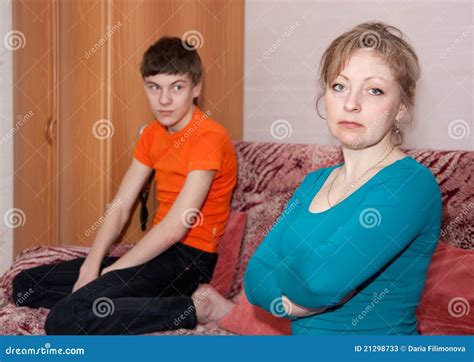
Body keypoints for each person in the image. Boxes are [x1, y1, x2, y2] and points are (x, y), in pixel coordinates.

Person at [194, 21, 442, 335]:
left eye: (374, 90)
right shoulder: (313, 182)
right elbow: (256, 278)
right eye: (339, 86)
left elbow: (318, 280)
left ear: (402, 107)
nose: (351, 103)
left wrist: (303, 278)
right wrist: (295, 294)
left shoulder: (411, 185)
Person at [12, 36, 237, 335]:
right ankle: (130, 300)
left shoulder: (209, 137)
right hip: (156, 254)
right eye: (154, 87)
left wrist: (112, 272)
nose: (164, 100)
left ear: (195, 88)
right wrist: (91, 266)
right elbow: (120, 207)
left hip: (187, 260)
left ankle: (194, 307)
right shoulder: (152, 135)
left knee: (65, 318)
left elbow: (175, 227)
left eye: (177, 87)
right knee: (25, 286)